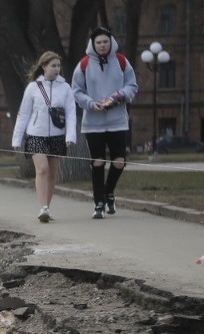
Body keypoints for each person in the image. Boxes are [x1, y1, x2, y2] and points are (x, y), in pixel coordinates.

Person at [71, 26, 138, 219]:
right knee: (97, 162)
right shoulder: (83, 64)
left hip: (117, 120)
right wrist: (91, 104)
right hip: (93, 122)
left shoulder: (121, 61)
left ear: (111, 43)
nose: (102, 46)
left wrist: (119, 96)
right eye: (98, 42)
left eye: (105, 42)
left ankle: (109, 192)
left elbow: (132, 85)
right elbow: (76, 91)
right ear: (93, 44)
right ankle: (98, 203)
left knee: (119, 161)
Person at [11, 51, 77, 223]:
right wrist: (17, 139)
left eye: (58, 66)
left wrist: (70, 136)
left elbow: (71, 114)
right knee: (42, 169)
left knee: (52, 173)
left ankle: (47, 207)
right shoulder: (33, 87)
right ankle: (43, 208)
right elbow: (23, 114)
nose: (57, 69)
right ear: (44, 67)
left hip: (57, 136)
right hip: (35, 135)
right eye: (53, 66)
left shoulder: (65, 88)